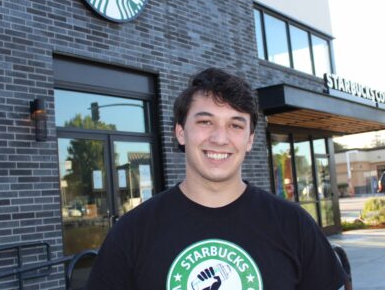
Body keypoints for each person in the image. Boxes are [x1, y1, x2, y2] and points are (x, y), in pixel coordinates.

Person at [85, 68, 348, 290]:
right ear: (180, 133)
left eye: (235, 125)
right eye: (205, 122)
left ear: (250, 140)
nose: (220, 138)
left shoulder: (294, 224)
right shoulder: (132, 232)